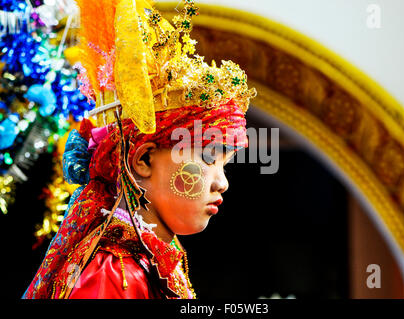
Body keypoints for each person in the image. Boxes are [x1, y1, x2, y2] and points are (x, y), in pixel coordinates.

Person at [23, 0, 256, 299]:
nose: (222, 182)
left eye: (225, 164)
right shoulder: (114, 273)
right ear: (144, 159)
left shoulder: (145, 262)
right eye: (208, 157)